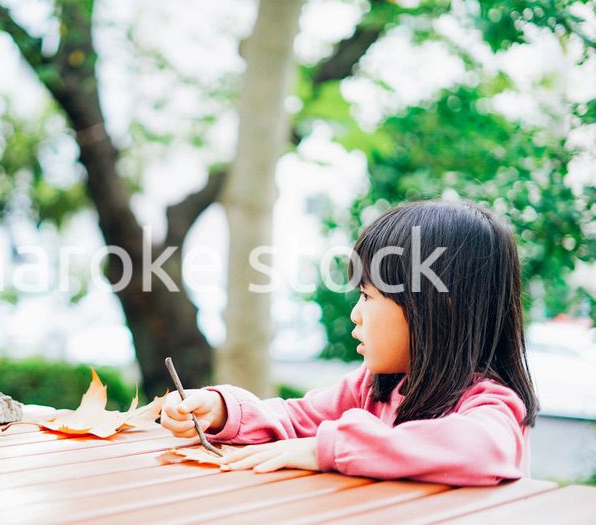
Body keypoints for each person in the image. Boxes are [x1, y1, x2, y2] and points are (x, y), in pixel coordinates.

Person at [161, 200, 539, 486]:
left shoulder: (489, 402)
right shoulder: (373, 387)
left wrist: (326, 448)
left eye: (368, 297)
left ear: (439, 306)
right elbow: (297, 419)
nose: (355, 315)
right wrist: (223, 410)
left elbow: (480, 449)